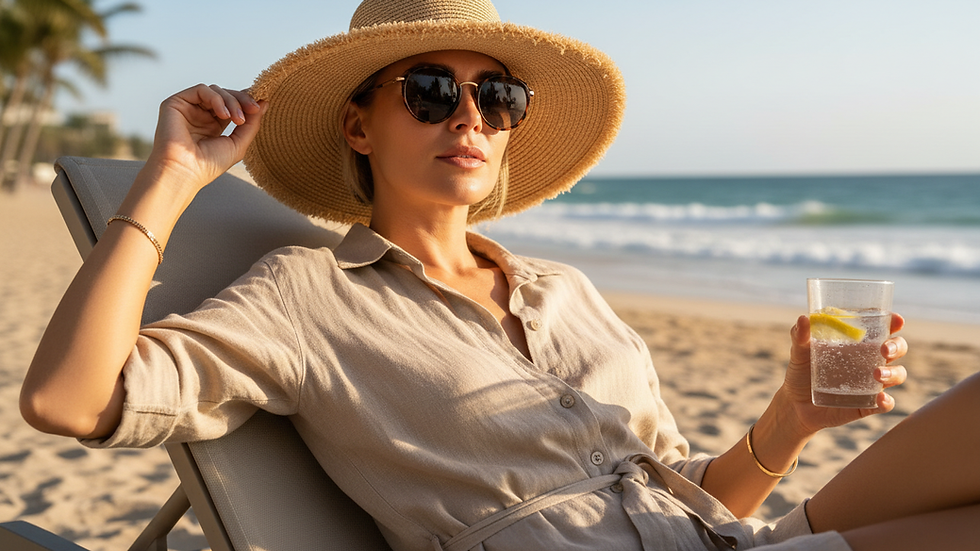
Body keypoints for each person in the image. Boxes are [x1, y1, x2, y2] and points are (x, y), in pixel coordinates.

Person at [19, 0, 980, 549]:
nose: (468, 117)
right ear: (359, 125)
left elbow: (692, 494)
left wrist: (791, 419)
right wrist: (172, 177)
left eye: (497, 96)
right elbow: (68, 400)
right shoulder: (308, 294)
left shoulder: (567, 293)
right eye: (432, 92)